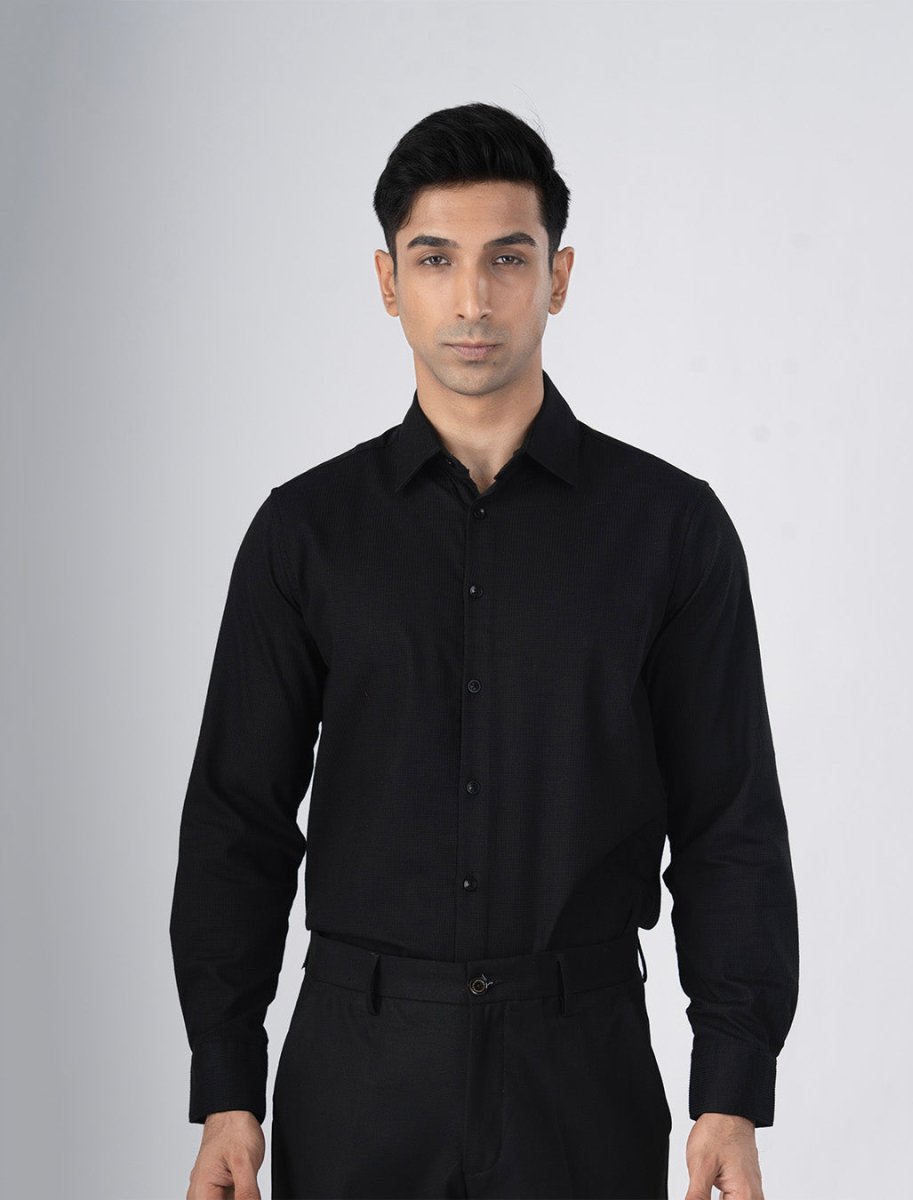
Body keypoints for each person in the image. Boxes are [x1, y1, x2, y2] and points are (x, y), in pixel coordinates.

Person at [169, 101, 799, 1200]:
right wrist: (229, 1088)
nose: (472, 299)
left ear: (558, 277)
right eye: (435, 260)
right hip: (360, 1074)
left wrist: (732, 1090)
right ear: (387, 282)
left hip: (582, 1070)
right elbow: (239, 820)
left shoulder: (670, 531)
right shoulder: (305, 534)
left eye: (508, 258)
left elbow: (727, 823)